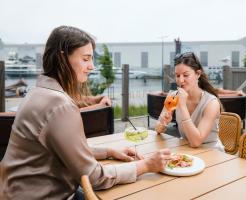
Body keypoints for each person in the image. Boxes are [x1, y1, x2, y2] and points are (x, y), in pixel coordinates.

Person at [0, 26, 171, 200]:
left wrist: (108, 152)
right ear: (62, 58)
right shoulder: (60, 105)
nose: (92, 66)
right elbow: (93, 177)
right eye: (86, 59)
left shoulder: (37, 93)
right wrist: (146, 165)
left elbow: (67, 150)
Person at [155, 52, 224, 150]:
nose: (181, 80)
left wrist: (182, 106)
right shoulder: (173, 96)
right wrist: (163, 124)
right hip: (186, 150)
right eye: (178, 76)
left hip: (211, 153)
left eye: (186, 75)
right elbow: (157, 128)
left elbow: (196, 142)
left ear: (198, 74)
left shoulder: (211, 103)